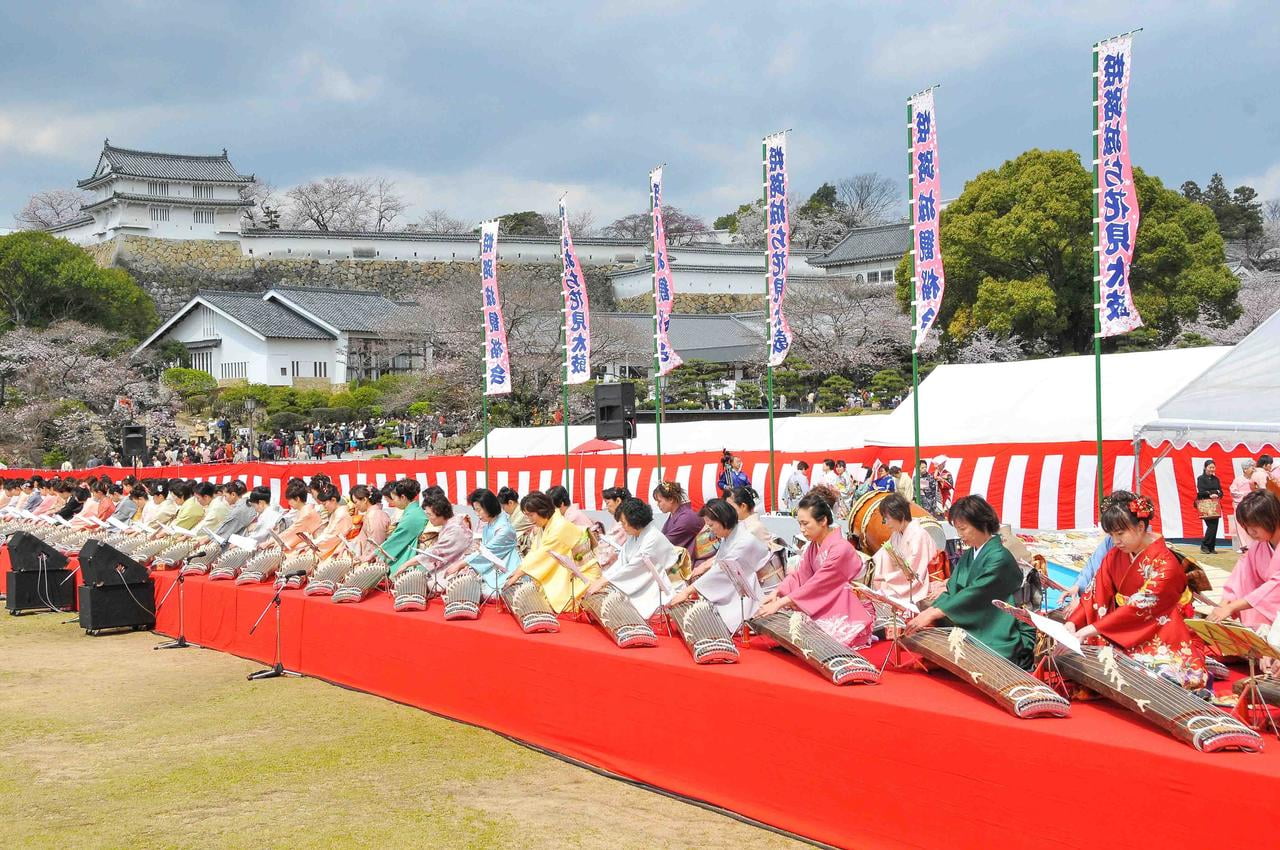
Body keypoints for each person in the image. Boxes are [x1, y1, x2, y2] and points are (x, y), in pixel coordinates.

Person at [1066, 491, 1207, 690]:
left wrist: (1095, 628)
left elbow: (1140, 604)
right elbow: (1095, 592)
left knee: (1158, 673)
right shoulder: (1114, 556)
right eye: (1112, 535)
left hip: (1161, 629)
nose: (1115, 541)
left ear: (1140, 527)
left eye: (1120, 533)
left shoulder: (1166, 564)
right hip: (1122, 626)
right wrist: (1074, 622)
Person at [905, 495, 1035, 669]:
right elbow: (954, 589)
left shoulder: (1000, 557)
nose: (960, 535)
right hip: (977, 615)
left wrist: (934, 612)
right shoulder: (969, 554)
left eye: (963, 529)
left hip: (996, 624)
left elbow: (975, 593)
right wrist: (930, 611)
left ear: (982, 524)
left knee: (945, 626)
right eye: (957, 529)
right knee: (933, 620)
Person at [757, 490, 875, 647]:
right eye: (799, 524)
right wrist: (776, 592)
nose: (802, 529)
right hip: (828, 599)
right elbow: (801, 575)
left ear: (823, 521)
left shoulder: (841, 548)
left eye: (805, 524)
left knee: (815, 639)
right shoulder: (814, 545)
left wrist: (780, 603)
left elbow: (819, 583)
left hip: (850, 607)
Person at [670, 498, 767, 633]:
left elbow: (720, 571)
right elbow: (719, 564)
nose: (710, 530)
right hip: (737, 587)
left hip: (752, 594)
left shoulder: (743, 541)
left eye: (711, 525)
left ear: (724, 521)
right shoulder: (731, 535)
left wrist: (687, 592)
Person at [584, 497, 681, 620]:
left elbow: (634, 566)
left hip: (663, 587)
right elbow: (621, 562)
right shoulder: (637, 535)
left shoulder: (653, 537)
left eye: (624, 523)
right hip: (646, 582)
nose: (623, 526)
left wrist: (605, 581)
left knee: (621, 607)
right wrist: (603, 579)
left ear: (635, 521)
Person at [505, 491, 600, 612]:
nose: (529, 520)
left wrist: (519, 573)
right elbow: (535, 551)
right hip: (570, 568)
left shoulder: (559, 526)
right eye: (527, 516)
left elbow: (542, 554)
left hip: (584, 572)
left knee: (563, 601)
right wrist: (520, 569)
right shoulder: (547, 523)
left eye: (531, 515)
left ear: (542, 510)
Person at [1211, 491, 1280, 646]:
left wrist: (1232, 607)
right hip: (1269, 609)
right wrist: (1225, 603)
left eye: (1255, 526)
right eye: (1247, 527)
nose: (1250, 533)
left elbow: (1276, 586)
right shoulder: (1258, 547)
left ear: (1271, 519)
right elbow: (1241, 575)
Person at [870, 492, 940, 614]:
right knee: (880, 587)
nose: (886, 523)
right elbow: (883, 556)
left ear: (900, 515)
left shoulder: (918, 535)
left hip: (920, 582)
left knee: (887, 592)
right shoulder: (897, 534)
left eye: (887, 518)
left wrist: (887, 578)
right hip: (901, 579)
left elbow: (914, 570)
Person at [454, 488, 521, 598]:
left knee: (484, 593)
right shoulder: (489, 525)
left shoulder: (504, 529)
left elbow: (488, 552)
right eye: (475, 510)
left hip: (508, 570)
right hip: (494, 570)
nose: (476, 514)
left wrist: (462, 564)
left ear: (489, 506)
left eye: (479, 510)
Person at [725, 486, 785, 591]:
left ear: (743, 506)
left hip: (768, 586)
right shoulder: (744, 526)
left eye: (730, 508)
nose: (727, 512)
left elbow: (730, 555)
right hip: (758, 582)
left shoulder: (754, 528)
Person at [378, 479, 427, 576]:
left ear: (403, 497)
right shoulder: (413, 512)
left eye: (394, 498)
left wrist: (377, 553)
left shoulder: (413, 516)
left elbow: (398, 539)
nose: (392, 503)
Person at [654, 481, 703, 553]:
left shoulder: (686, 518)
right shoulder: (679, 515)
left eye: (659, 501)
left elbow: (664, 544)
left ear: (671, 499)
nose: (658, 505)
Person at [1195, 460, 1223, 554]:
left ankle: (1211, 547)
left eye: (1213, 467)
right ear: (1205, 467)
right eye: (1210, 467)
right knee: (1211, 526)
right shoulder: (1201, 478)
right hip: (1205, 505)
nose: (1212, 469)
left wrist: (1217, 494)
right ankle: (1205, 545)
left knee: (1215, 526)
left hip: (1215, 505)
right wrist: (1211, 493)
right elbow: (1201, 491)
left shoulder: (1216, 479)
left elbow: (1221, 491)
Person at [1231, 460, 1260, 552]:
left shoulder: (1255, 479)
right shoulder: (1238, 480)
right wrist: (1245, 494)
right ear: (1245, 469)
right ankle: (1243, 545)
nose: (1253, 469)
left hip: (1253, 505)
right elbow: (1233, 492)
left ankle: (1254, 544)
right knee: (1241, 526)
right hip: (1240, 505)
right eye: (1251, 467)